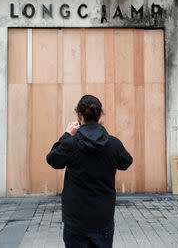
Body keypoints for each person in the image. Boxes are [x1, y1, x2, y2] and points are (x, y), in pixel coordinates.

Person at [46, 94, 133, 248]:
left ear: (79, 116)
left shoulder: (71, 143)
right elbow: (126, 162)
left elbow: (53, 159)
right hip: (103, 218)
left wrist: (66, 134)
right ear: (100, 115)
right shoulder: (113, 144)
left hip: (76, 219)